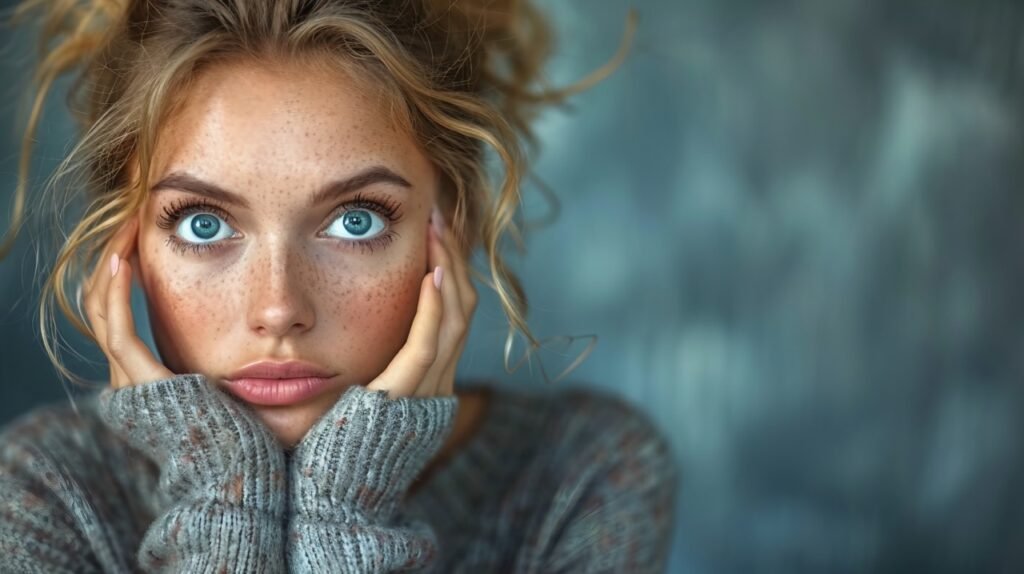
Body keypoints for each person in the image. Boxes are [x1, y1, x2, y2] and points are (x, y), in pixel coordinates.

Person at [0, 0, 678, 571]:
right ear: (131, 247)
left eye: (356, 221)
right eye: (203, 225)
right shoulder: (45, 488)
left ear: (453, 229)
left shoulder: (581, 475)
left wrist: (348, 505)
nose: (279, 309)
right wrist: (224, 491)